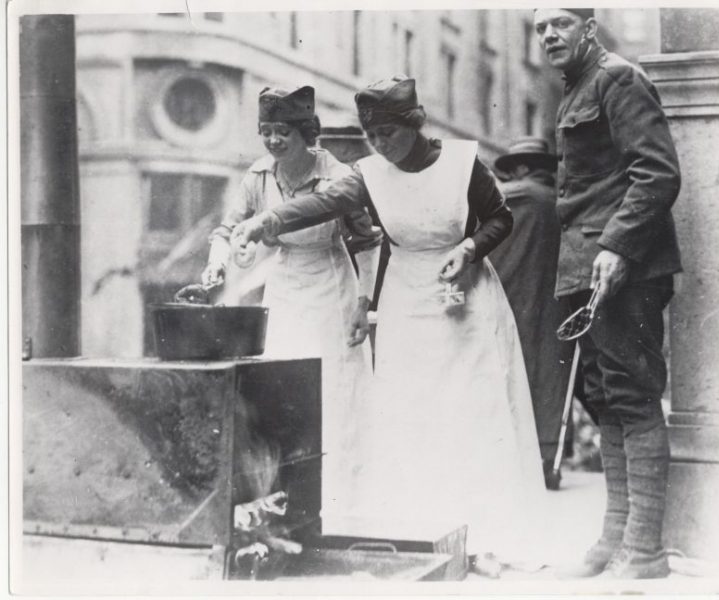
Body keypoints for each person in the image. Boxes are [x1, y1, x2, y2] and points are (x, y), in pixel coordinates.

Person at [230, 76, 548, 577]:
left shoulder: (464, 165)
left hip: (463, 298)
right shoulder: (369, 172)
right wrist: (265, 223)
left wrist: (469, 248)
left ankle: (486, 535)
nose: (380, 145)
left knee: (470, 415)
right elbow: (325, 202)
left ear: (414, 125)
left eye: (389, 134)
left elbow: (500, 218)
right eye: (371, 136)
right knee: (407, 416)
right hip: (405, 300)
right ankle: (423, 531)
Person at [533, 8, 682, 579]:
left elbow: (657, 173)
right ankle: (616, 539)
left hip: (625, 271)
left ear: (588, 28)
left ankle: (644, 552)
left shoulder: (618, 77)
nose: (548, 34)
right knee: (607, 399)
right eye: (540, 26)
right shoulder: (576, 88)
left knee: (632, 395)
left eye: (561, 23)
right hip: (586, 273)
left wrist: (619, 247)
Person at [202, 85, 382, 525]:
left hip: (329, 285)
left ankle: (343, 501)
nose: (273, 141)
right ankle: (289, 499)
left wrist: (363, 303)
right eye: (266, 131)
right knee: (281, 387)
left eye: (282, 131)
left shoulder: (336, 175)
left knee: (332, 392)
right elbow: (228, 228)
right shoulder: (258, 176)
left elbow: (367, 243)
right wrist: (218, 262)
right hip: (284, 287)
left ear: (306, 132)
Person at [489, 136, 575, 491]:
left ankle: (515, 456)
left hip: (513, 293)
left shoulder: (516, 196)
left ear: (522, 168)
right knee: (551, 373)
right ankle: (547, 456)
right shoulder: (561, 200)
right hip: (556, 300)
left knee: (513, 368)